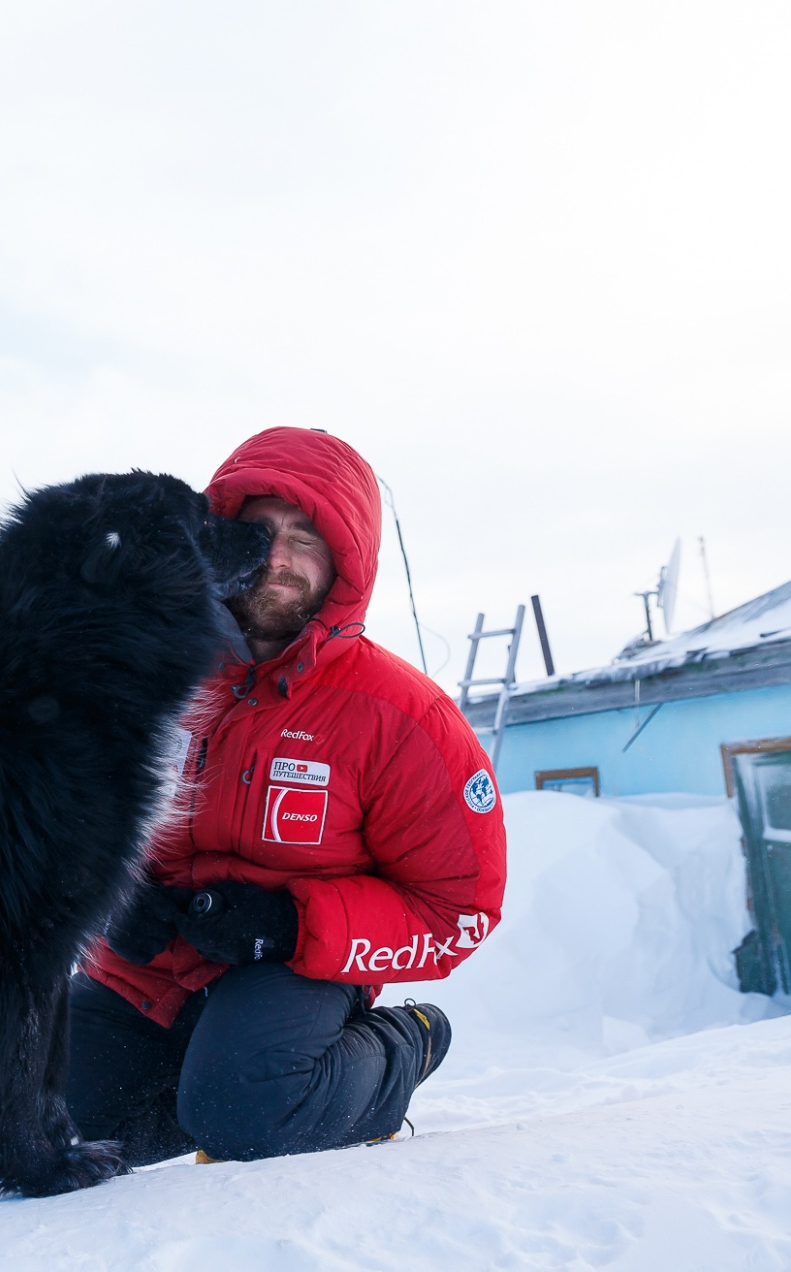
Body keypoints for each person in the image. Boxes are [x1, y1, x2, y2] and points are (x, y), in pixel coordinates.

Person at [67, 426, 507, 1166]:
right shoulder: (146, 678)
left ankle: (403, 1044)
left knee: (245, 1117)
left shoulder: (402, 716)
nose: (276, 559)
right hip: (156, 960)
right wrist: (112, 896)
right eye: (257, 532)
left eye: (306, 538)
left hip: (298, 964)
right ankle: (219, 1082)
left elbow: (460, 909)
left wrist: (289, 925)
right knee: (55, 1117)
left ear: (346, 560)